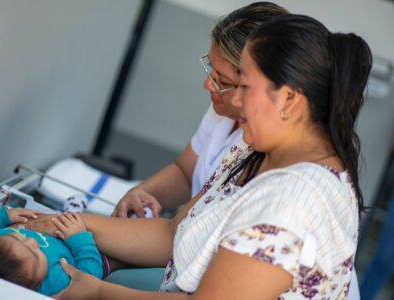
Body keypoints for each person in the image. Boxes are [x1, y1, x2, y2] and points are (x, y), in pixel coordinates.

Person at [25, 13, 372, 299]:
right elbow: (174, 234)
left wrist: (98, 293)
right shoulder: (255, 147)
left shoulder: (291, 202)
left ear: (289, 100)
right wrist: (76, 223)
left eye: (245, 87)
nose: (234, 102)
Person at [111, 2, 289, 218]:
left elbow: (175, 232)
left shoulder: (269, 153)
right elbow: (186, 173)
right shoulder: (223, 110)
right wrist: (141, 193)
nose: (207, 84)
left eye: (222, 79)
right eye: (211, 70)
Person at [0, 207, 107, 296]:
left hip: (56, 220)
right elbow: (90, 276)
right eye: (36, 253)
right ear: (33, 288)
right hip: (87, 247)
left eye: (18, 238)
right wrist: (80, 239)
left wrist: (4, 216)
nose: (33, 241)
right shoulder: (53, 284)